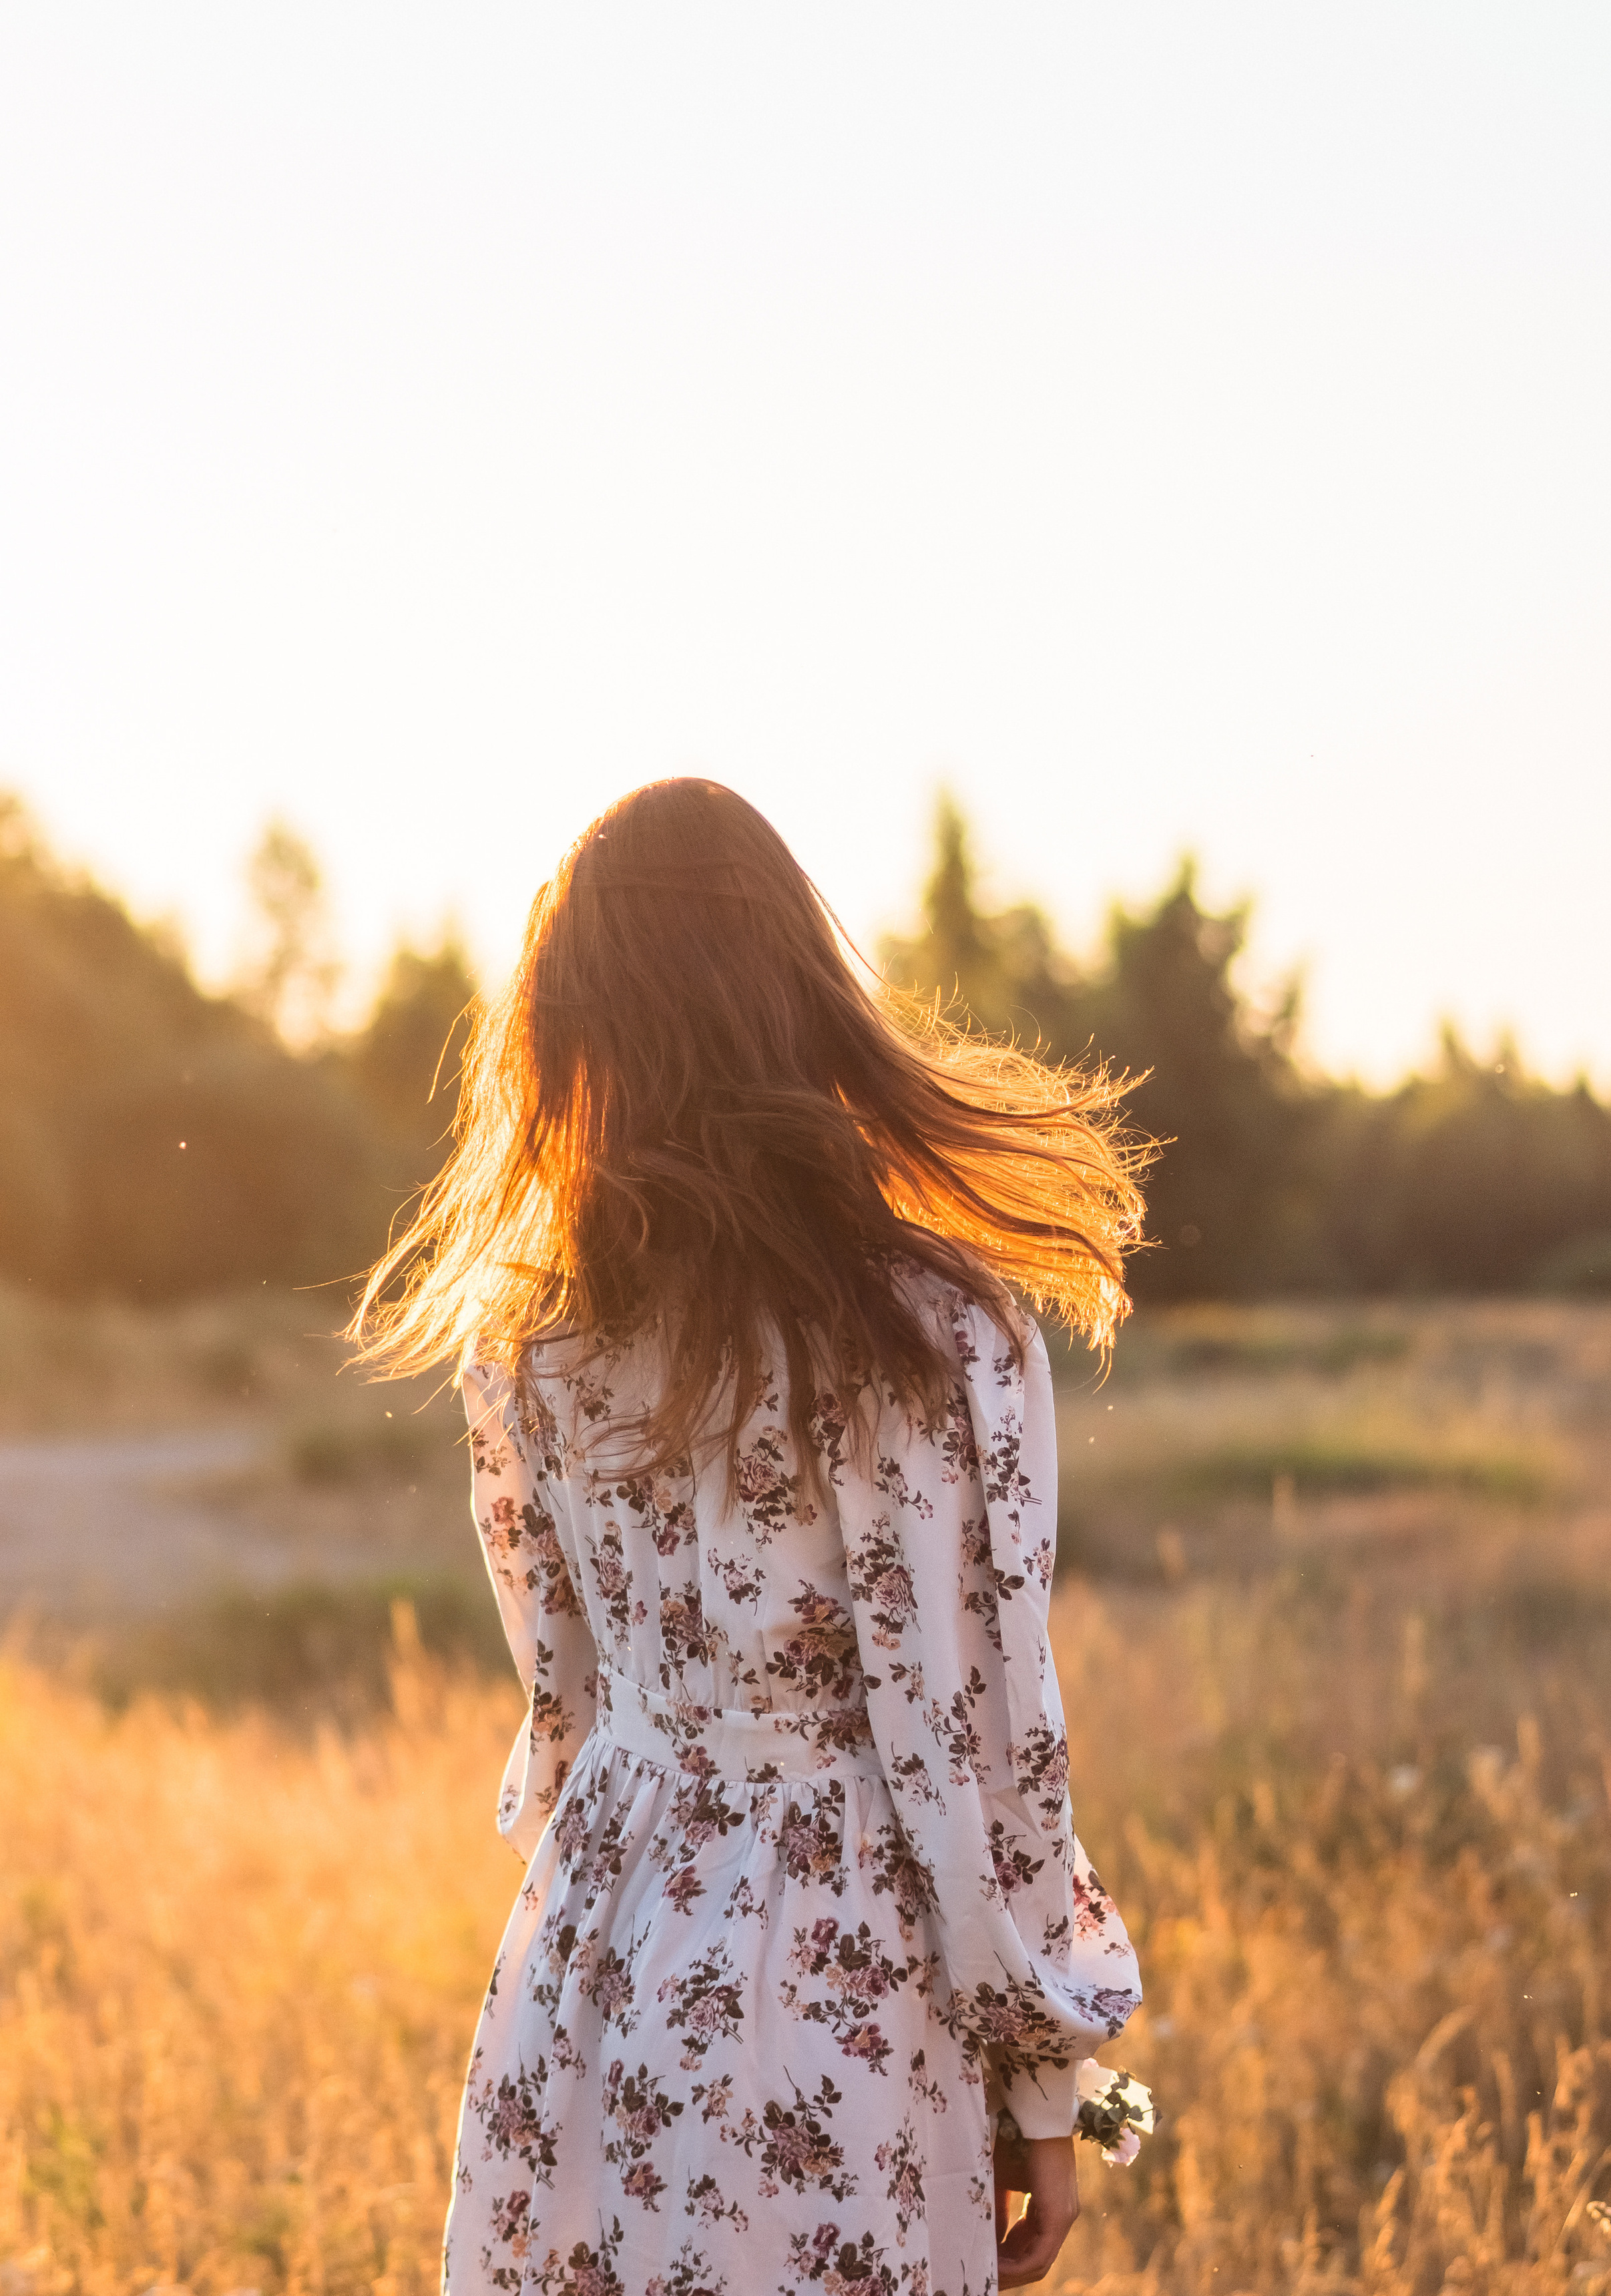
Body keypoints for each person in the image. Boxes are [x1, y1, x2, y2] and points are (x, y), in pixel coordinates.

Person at [354, 779, 1148, 2296]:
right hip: (833, 1972)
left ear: (574, 1036)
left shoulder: (531, 1346)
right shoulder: (924, 1333)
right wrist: (1048, 2085)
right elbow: (973, 1740)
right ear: (796, 992)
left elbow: (565, 1705)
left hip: (599, 1952)